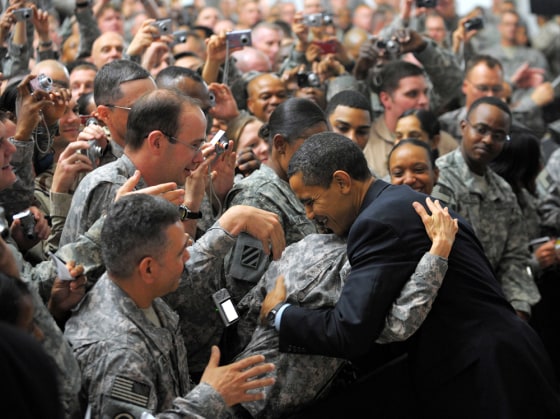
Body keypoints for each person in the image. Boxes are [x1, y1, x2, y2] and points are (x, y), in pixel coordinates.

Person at [260, 132, 560, 417]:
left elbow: (348, 330)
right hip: (507, 360)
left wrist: (279, 313)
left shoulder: (377, 224)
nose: (310, 214)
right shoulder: (400, 203)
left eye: (311, 201)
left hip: (485, 376)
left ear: (342, 182)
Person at [64, 193, 276, 418]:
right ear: (148, 269)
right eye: (180, 253)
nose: (187, 257)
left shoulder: (137, 292)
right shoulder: (119, 353)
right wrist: (211, 396)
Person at [432, 96, 540, 320]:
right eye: (481, 129)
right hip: (445, 304)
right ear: (464, 127)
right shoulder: (439, 179)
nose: (488, 140)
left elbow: (514, 259)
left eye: (498, 136)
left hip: (492, 303)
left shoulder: (503, 191)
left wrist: (518, 309)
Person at [224, 98, 326, 301]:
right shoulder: (256, 196)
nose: (321, 155)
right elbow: (243, 291)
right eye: (312, 145)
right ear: (280, 144)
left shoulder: (301, 187)